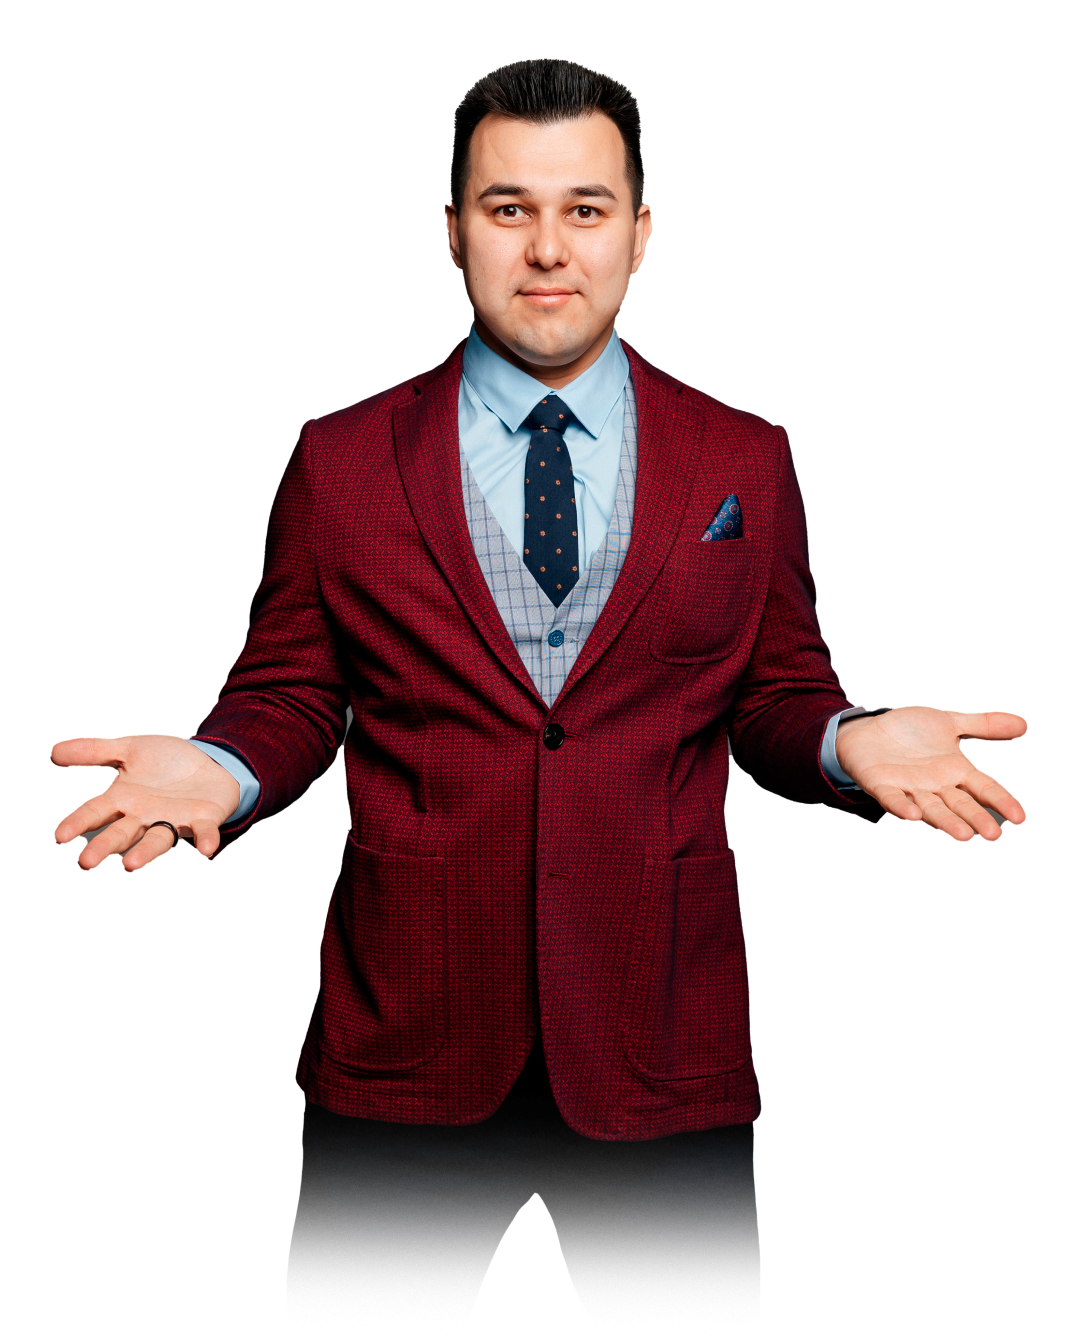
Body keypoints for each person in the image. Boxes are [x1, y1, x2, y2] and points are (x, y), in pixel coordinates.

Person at [50, 59, 1028, 1321]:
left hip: (661, 1037)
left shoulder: (745, 453)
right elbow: (290, 691)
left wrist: (843, 739)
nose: (547, 247)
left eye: (584, 208)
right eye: (508, 208)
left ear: (640, 233)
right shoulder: (337, 457)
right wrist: (227, 764)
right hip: (405, 1036)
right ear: (453, 230)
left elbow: (775, 693)